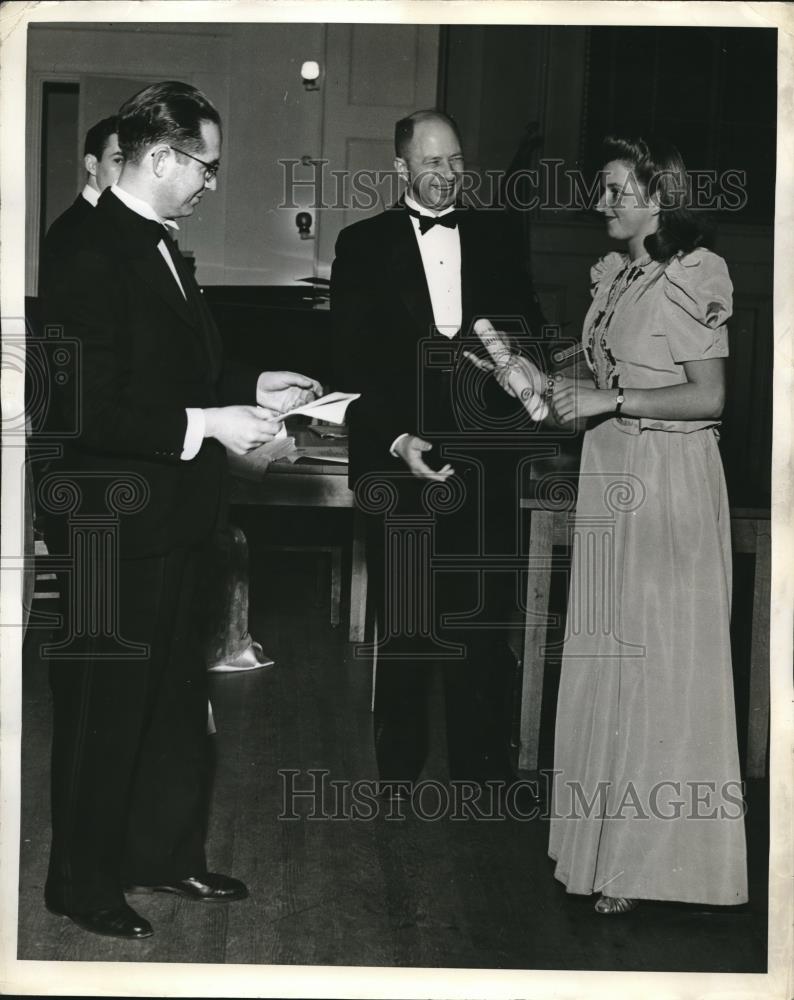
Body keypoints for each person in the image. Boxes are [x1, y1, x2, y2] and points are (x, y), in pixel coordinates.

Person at [40, 81, 320, 940]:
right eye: (203, 167)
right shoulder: (86, 246)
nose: (208, 184)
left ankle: (161, 856)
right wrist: (210, 423)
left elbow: (174, 369)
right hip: (109, 524)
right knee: (102, 707)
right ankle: (80, 884)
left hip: (171, 517)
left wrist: (250, 388)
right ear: (158, 158)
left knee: (168, 702)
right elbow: (82, 408)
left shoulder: (159, 242)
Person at [489, 136, 748, 912]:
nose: (601, 203)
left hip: (668, 482)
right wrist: (541, 379)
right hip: (610, 473)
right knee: (609, 658)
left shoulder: (695, 273)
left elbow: (710, 398)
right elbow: (595, 384)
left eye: (615, 190)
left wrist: (611, 402)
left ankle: (650, 866)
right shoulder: (620, 277)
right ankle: (603, 853)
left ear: (657, 196)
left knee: (657, 669)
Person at [331, 109, 545, 797]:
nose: (447, 174)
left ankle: (481, 772)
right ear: (401, 168)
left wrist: (515, 371)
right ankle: (398, 774)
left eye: (455, 161)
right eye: (431, 162)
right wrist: (397, 439)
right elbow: (350, 359)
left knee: (482, 616)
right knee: (405, 620)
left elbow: (529, 337)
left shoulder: (498, 235)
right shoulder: (360, 244)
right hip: (401, 455)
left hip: (486, 458)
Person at [39, 115, 123, 293]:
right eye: (119, 160)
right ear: (92, 165)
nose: (128, 173)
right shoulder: (72, 229)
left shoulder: (113, 220)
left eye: (132, 163)